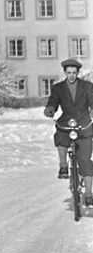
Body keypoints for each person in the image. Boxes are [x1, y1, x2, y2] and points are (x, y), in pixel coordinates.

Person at [45, 60, 93, 197]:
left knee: (85, 160)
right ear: (65, 72)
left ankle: (88, 194)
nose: (71, 76)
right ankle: (63, 166)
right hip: (67, 121)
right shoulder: (58, 88)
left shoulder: (87, 86)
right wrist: (50, 109)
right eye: (69, 73)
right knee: (61, 136)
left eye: (74, 73)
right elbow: (53, 101)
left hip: (84, 124)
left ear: (78, 73)